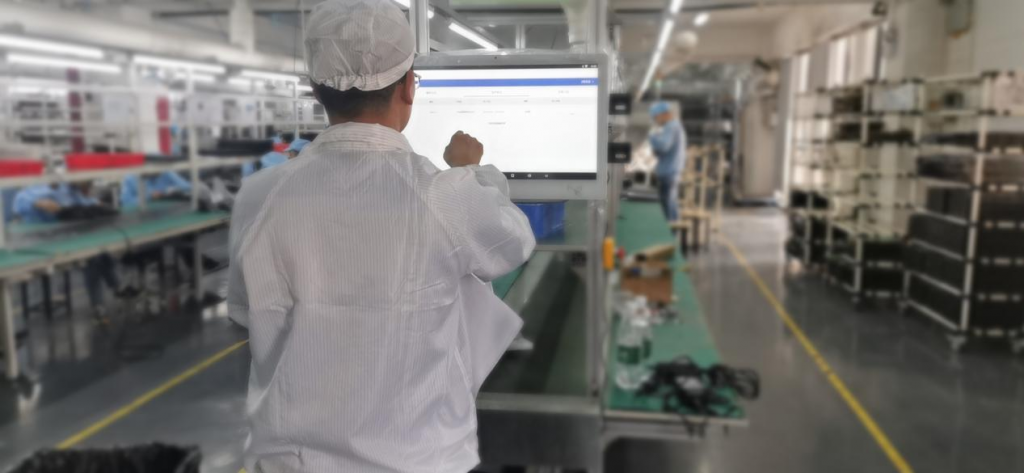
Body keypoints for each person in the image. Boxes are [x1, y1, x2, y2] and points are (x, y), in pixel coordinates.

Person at [227, 0, 535, 471]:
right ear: (409, 87)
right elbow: (513, 241)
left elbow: (245, 311)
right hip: (419, 458)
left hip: (293, 461)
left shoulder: (259, 196)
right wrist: (471, 171)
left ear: (316, 88)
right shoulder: (443, 194)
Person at [13, 183, 130, 317]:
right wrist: (36, 203)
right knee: (92, 257)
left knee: (99, 251)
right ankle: (106, 297)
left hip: (63, 237)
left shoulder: (70, 190)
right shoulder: (36, 189)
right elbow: (18, 202)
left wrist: (96, 203)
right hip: (39, 241)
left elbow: (83, 203)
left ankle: (111, 294)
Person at [648, 101, 687, 222]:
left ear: (664, 114)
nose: (656, 121)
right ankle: (673, 229)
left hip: (668, 172)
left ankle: (670, 230)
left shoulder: (671, 126)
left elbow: (664, 146)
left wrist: (652, 137)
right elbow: (666, 149)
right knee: (671, 202)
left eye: (656, 117)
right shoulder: (676, 126)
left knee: (667, 205)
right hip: (672, 170)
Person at [120, 172, 192, 208]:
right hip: (141, 216)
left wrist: (169, 190)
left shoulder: (166, 173)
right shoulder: (130, 178)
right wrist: (149, 196)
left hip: (166, 213)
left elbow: (187, 187)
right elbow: (126, 202)